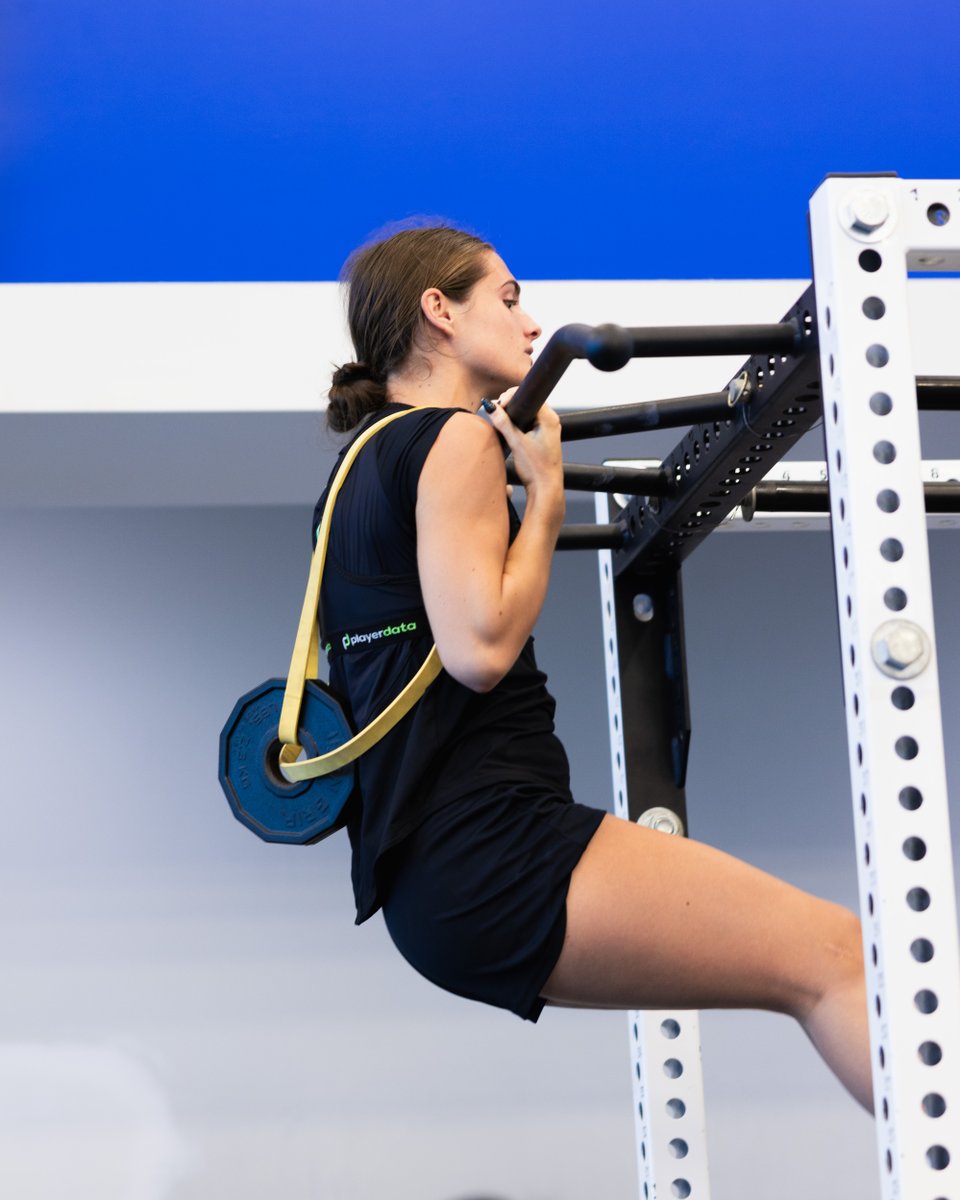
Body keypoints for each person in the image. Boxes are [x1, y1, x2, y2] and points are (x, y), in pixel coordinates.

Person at [315, 223, 872, 1112]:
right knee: (836, 958)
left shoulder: (354, 475)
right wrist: (544, 500)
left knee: (809, 968)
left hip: (435, 886)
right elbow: (480, 649)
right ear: (438, 312)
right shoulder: (452, 440)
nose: (530, 323)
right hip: (490, 846)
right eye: (506, 297)